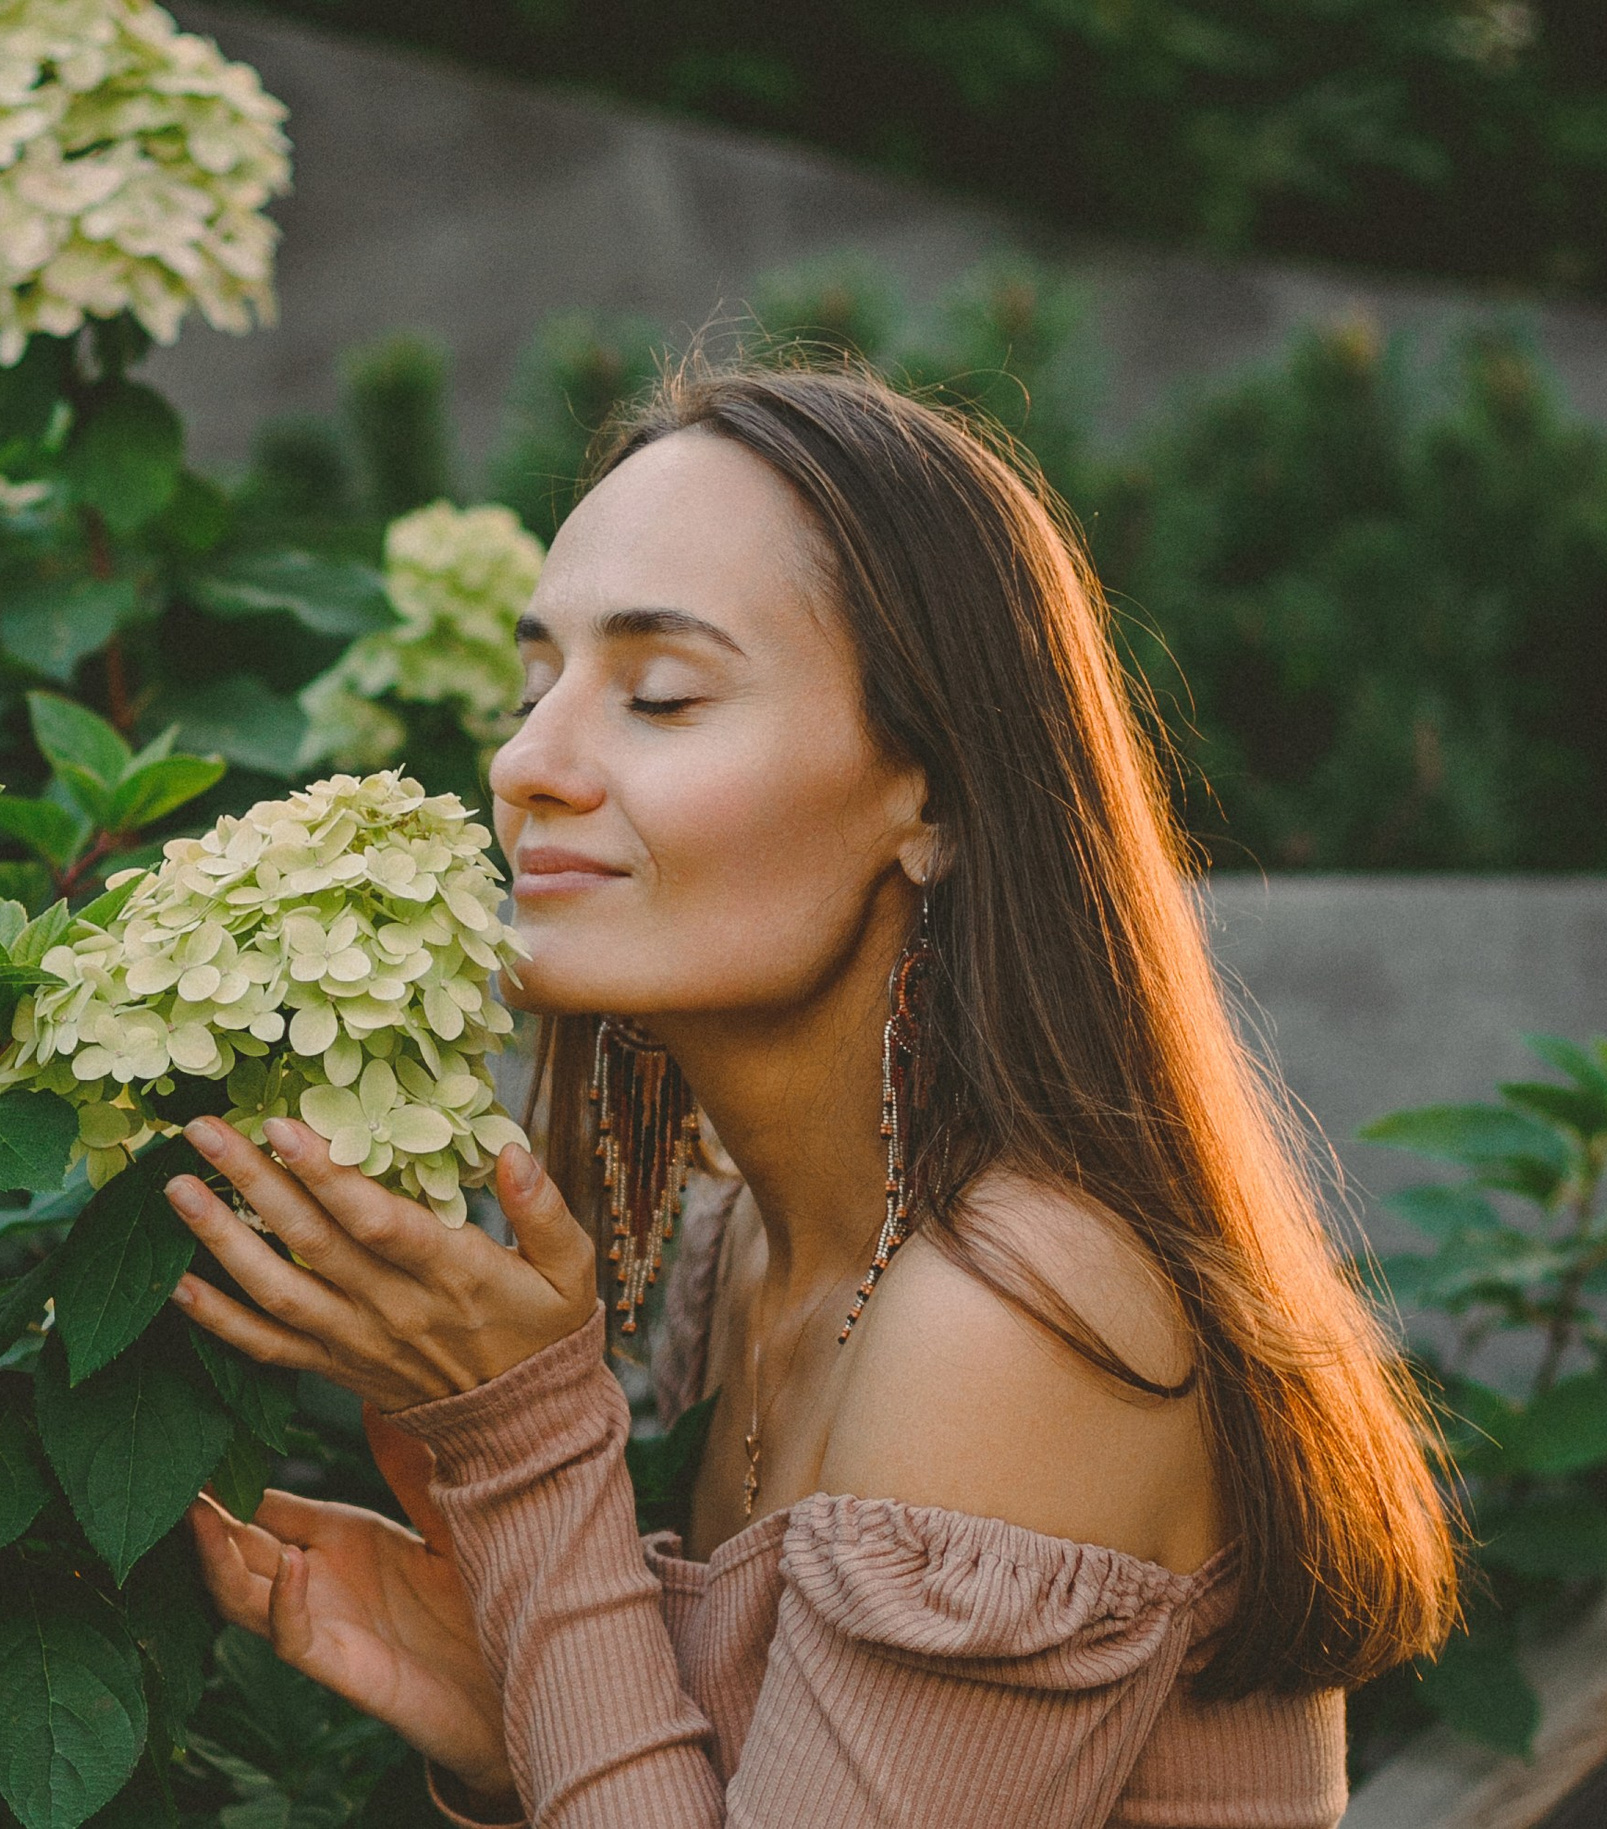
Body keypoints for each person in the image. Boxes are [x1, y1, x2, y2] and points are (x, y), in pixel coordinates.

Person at [162, 355, 1458, 1826]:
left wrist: (525, 1458)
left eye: (659, 696)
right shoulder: (745, 1248)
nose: (526, 761)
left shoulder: (1015, 1316)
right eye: (532, 688)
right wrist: (520, 1726)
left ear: (934, 796)